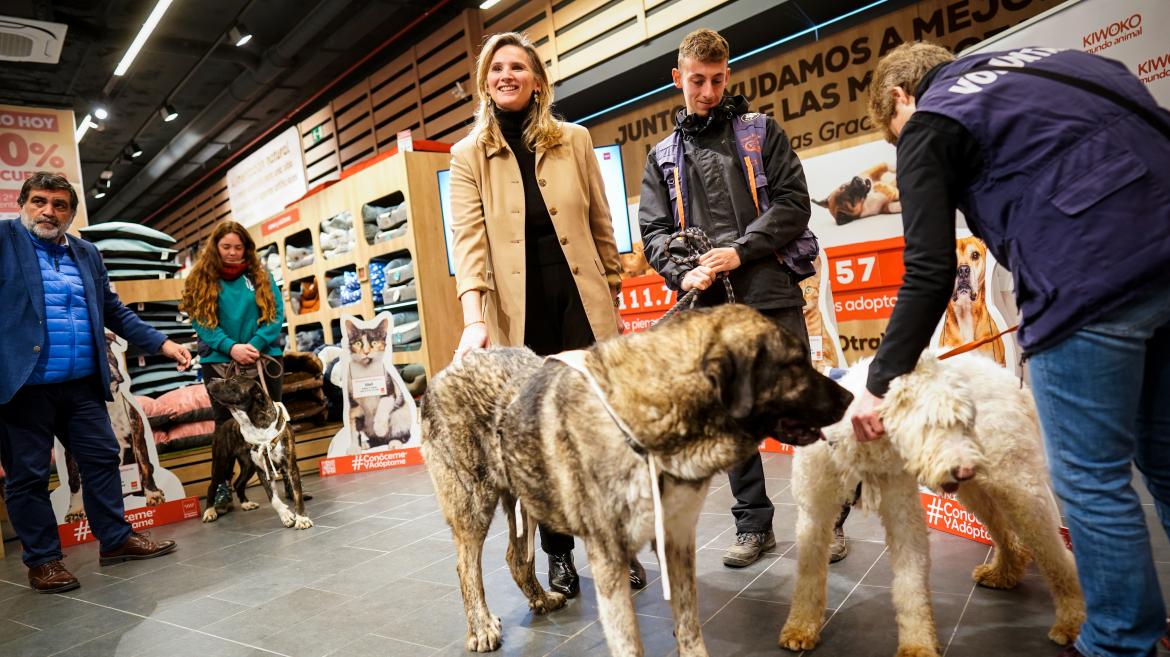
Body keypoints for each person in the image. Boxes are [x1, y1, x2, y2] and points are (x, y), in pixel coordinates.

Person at [852, 42, 1170, 657]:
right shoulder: (1070, 63)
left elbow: (928, 271)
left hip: (1087, 280)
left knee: (1092, 479)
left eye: (894, 136)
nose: (902, 144)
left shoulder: (928, 120)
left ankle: (1120, 642)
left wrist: (880, 381)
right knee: (1167, 461)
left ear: (899, 97)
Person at [638, 28, 851, 568]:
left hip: (772, 293)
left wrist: (739, 250)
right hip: (710, 307)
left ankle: (827, 522)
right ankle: (754, 526)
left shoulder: (762, 131)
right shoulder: (661, 156)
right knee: (732, 420)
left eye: (715, 80)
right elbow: (655, 231)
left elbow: (793, 204)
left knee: (800, 409)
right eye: (696, 82)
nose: (707, 91)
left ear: (727, 74)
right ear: (677, 80)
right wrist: (682, 272)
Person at [449, 31, 641, 599]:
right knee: (544, 442)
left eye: (518, 66)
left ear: (537, 80)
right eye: (497, 68)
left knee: (602, 432)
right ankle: (559, 558)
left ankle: (616, 546)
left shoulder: (576, 140)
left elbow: (602, 224)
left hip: (583, 306)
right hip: (519, 316)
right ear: (486, 81)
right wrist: (473, 317)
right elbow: (469, 244)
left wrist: (614, 290)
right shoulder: (467, 156)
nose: (507, 74)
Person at [0, 172, 191, 593]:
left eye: (59, 204)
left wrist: (162, 343)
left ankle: (117, 539)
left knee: (104, 458)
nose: (48, 211)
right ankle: (44, 561)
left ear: (71, 212)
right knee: (28, 476)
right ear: (23, 203)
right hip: (22, 385)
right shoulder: (4, 241)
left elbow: (113, 311)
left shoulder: (86, 253)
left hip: (82, 382)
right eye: (39, 201)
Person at [181, 221, 285, 428]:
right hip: (219, 362)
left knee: (272, 424)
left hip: (263, 358)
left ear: (246, 249)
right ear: (215, 247)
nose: (233, 253)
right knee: (228, 428)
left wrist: (256, 343)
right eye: (226, 247)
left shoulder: (262, 277)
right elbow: (201, 321)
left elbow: (276, 314)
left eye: (238, 247)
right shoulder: (200, 280)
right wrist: (231, 347)